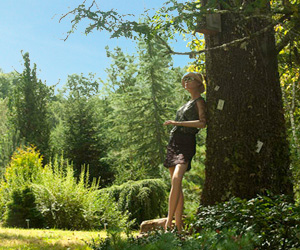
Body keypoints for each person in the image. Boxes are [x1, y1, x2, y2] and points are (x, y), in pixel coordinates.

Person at [163, 72, 206, 233]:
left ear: (198, 84)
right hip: (174, 142)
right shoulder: (187, 102)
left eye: (190, 79)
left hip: (186, 142)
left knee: (176, 179)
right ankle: (179, 227)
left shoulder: (200, 102)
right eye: (185, 79)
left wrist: (177, 122)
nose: (187, 81)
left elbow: (202, 123)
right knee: (176, 185)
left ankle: (169, 222)